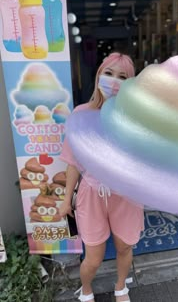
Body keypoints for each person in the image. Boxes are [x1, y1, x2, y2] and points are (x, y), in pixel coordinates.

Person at [59, 52, 144, 302]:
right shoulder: (81, 114)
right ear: (98, 76)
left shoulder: (136, 119)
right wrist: (66, 200)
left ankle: (121, 287)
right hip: (91, 195)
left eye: (122, 77)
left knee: (124, 247)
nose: (114, 81)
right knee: (93, 258)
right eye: (108, 73)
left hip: (126, 195)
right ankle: (86, 289)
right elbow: (73, 163)